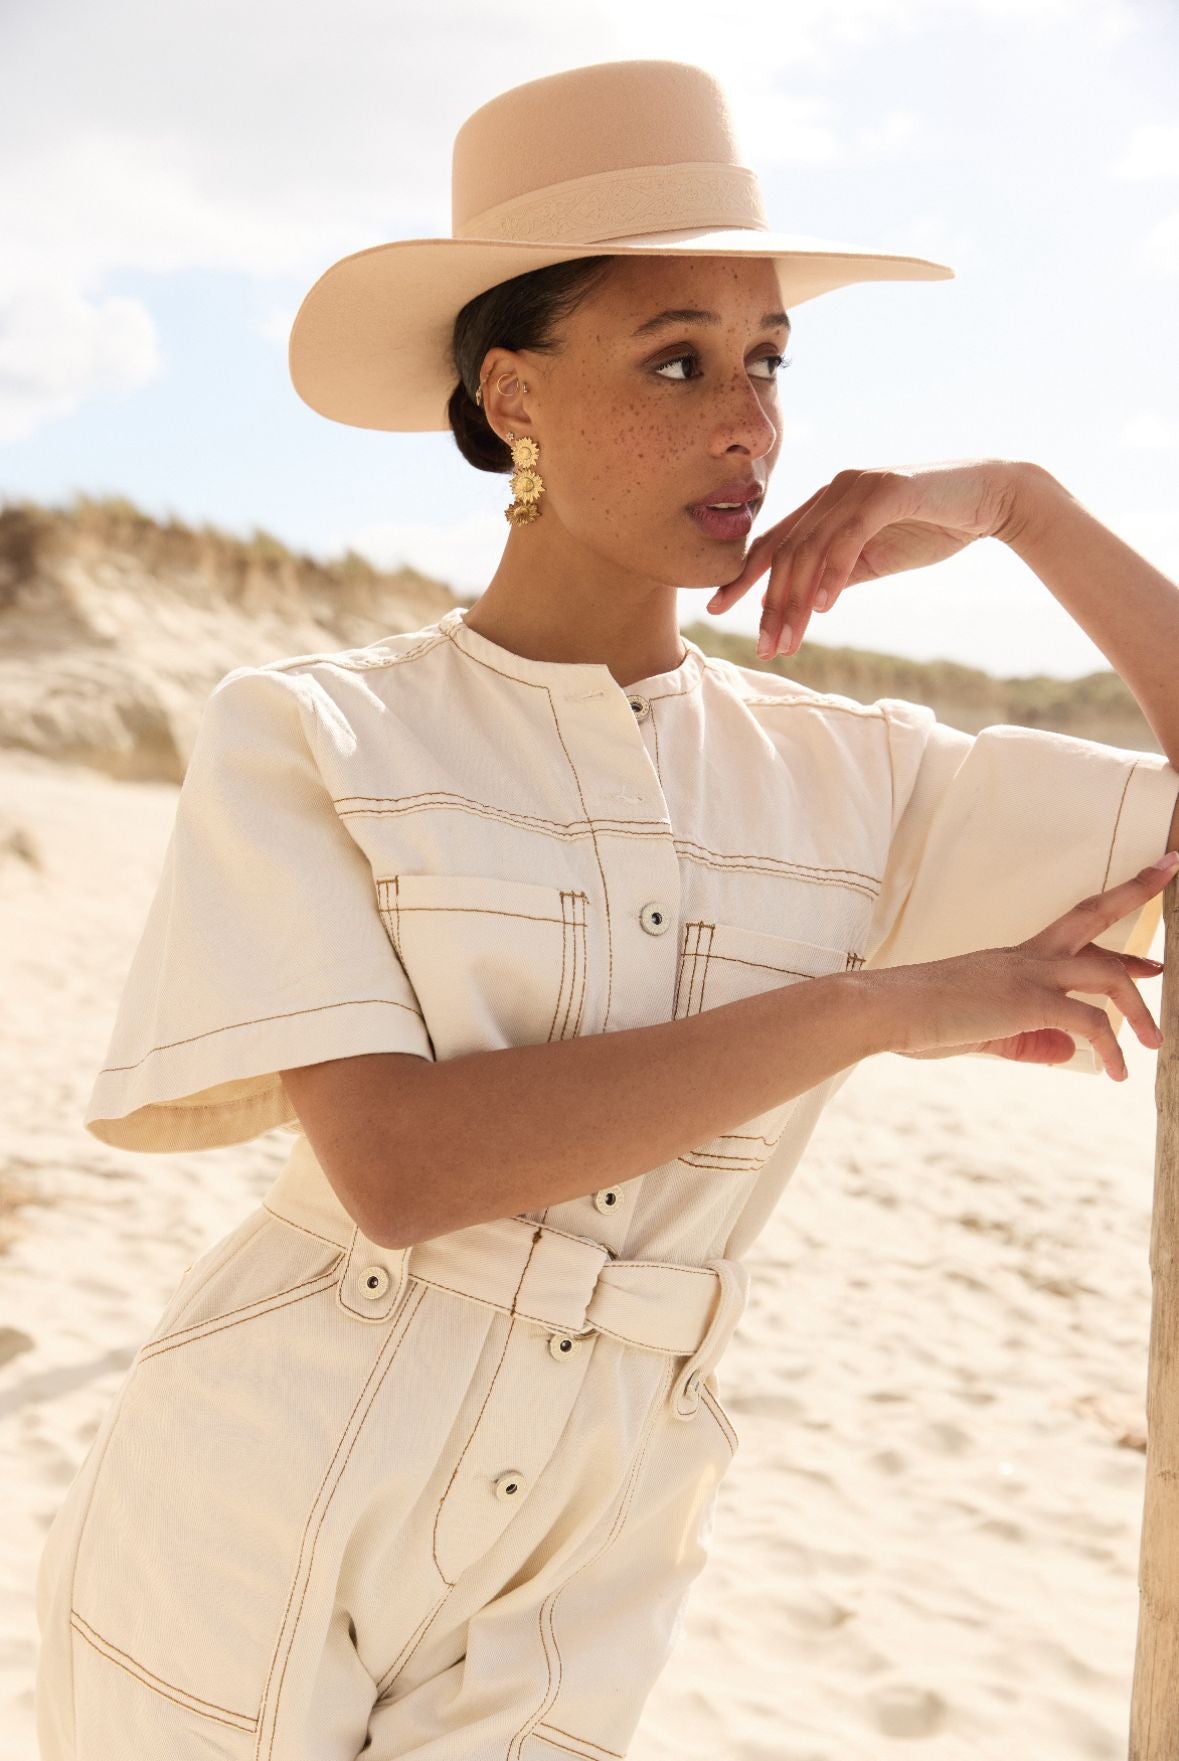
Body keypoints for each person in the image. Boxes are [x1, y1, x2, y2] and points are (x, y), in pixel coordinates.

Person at [34, 57, 1179, 1761]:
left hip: (598, 1545)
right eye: (676, 358)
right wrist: (875, 1006)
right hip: (262, 1493)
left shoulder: (863, 779)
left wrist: (1021, 502)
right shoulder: (318, 731)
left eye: (769, 358)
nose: (749, 421)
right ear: (512, 398)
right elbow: (401, 1169)